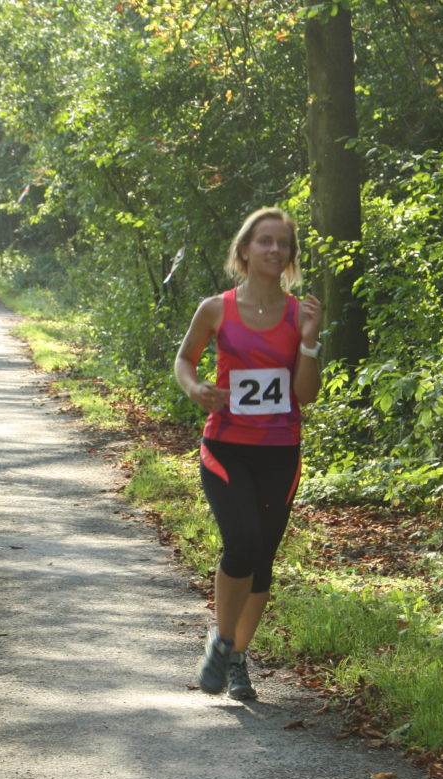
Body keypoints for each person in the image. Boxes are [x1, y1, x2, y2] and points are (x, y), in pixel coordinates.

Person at [173, 207, 322, 701]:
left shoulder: (300, 315)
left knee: (262, 559)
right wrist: (195, 389)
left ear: (290, 255)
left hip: (281, 452)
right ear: (244, 249)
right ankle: (222, 641)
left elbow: (305, 395)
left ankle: (237, 657)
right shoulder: (215, 309)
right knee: (241, 544)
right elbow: (185, 359)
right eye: (265, 241)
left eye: (283, 243)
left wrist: (309, 343)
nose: (275, 249)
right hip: (226, 448)